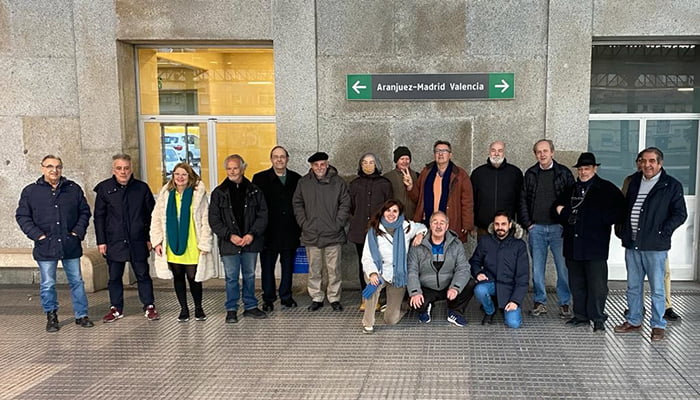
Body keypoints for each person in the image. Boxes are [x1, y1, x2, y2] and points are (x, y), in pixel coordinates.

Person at [614, 147, 687, 341]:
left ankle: (658, 324)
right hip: (633, 244)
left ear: (660, 163)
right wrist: (622, 230)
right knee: (633, 286)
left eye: (652, 161)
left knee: (657, 289)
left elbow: (680, 214)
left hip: (655, 247)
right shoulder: (634, 182)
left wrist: (662, 231)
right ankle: (634, 320)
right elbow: (624, 207)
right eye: (644, 161)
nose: (647, 165)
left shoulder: (671, 185)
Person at [16, 155, 94, 332]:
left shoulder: (73, 189)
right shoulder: (31, 191)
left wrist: (77, 233)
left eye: (58, 166)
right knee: (48, 283)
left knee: (77, 281)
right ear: (42, 168)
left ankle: (81, 315)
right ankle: (51, 316)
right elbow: (22, 216)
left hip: (70, 244)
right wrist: (38, 236)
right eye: (50, 166)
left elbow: (84, 212)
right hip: (46, 246)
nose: (54, 170)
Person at [554, 153, 626, 332]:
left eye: (586, 168)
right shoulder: (571, 189)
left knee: (597, 286)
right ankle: (580, 316)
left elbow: (620, 211)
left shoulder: (607, 188)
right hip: (573, 245)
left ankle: (598, 317)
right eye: (580, 169)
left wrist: (600, 219)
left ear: (595, 168)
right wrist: (566, 214)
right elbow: (557, 208)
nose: (583, 172)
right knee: (576, 283)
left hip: (595, 245)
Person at [93, 154, 158, 323]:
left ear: (131, 169)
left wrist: (150, 238)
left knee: (143, 274)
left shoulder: (141, 188)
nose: (123, 172)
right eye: (119, 168)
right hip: (114, 241)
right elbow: (99, 217)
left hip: (138, 240)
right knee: (114, 277)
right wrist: (101, 241)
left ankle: (149, 306)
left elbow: (152, 215)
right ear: (113, 170)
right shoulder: (104, 188)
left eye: (126, 168)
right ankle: (116, 308)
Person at [150, 162, 214, 322]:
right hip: (172, 242)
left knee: (193, 277)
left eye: (184, 174)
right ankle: (184, 309)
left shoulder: (197, 194)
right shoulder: (166, 194)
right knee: (178, 276)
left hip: (192, 242)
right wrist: (157, 242)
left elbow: (206, 220)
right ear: (172, 176)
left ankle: (198, 308)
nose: (180, 177)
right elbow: (156, 218)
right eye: (177, 174)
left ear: (190, 176)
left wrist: (205, 243)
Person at [519, 139, 574, 318]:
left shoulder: (564, 173)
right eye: (539, 152)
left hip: (559, 229)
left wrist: (565, 222)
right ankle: (539, 301)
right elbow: (523, 200)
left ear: (552, 152)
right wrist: (528, 224)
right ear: (535, 154)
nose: (542, 154)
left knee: (563, 268)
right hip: (537, 229)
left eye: (545, 151)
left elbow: (573, 200)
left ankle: (564, 303)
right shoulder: (530, 174)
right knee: (537, 269)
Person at [210, 154, 268, 323]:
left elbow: (263, 215)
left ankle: (250, 306)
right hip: (229, 243)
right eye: (229, 168)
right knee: (231, 277)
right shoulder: (219, 193)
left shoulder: (255, 191)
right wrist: (229, 236)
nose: (232, 171)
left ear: (242, 169)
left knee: (249, 275)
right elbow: (214, 220)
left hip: (250, 242)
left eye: (235, 168)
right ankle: (231, 309)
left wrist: (252, 234)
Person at [293, 151, 351, 312]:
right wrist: (304, 223)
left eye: (322, 164)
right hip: (312, 234)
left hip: (334, 234)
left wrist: (338, 223)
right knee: (314, 269)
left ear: (327, 164)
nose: (319, 167)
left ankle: (334, 298)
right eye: (316, 165)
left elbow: (345, 204)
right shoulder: (304, 183)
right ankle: (316, 297)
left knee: (334, 270)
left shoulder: (338, 182)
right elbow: (297, 203)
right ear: (311, 166)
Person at [361, 200, 427, 334]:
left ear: (399, 213)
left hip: (398, 274)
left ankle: (402, 306)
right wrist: (372, 273)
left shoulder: (407, 226)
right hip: (379, 270)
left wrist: (420, 234)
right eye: (388, 210)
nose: (391, 214)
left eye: (395, 211)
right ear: (383, 212)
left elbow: (422, 227)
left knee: (391, 320)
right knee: (372, 286)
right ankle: (368, 323)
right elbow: (367, 257)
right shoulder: (374, 230)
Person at [252, 146, 302, 312]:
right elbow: (255, 206)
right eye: (276, 156)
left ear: (287, 159)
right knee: (267, 268)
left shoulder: (296, 178)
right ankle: (268, 298)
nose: (279, 159)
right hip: (268, 231)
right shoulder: (260, 179)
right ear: (271, 159)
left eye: (282, 156)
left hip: (290, 230)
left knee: (288, 267)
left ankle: (286, 296)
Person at [407, 211, 471, 327]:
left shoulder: (456, 244)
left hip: (448, 286)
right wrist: (415, 292)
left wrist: (455, 287)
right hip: (427, 287)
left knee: (469, 283)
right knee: (414, 300)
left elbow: (463, 268)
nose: (438, 226)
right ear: (430, 225)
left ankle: (454, 311)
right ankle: (426, 307)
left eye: (442, 223)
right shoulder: (418, 244)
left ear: (447, 226)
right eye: (435, 222)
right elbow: (412, 270)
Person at [348, 152, 392, 310]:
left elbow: (389, 207)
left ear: (377, 164)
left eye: (371, 162)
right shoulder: (355, 184)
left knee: (381, 264)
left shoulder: (384, 183)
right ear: (360, 165)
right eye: (364, 162)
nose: (368, 165)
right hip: (360, 231)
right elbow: (351, 207)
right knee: (364, 265)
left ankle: (380, 296)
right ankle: (366, 298)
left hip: (379, 231)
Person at [469, 211, 529, 328]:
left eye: (503, 224)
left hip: (509, 289)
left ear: (510, 225)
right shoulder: (485, 241)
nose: (500, 227)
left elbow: (523, 276)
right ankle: (490, 310)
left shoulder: (519, 245)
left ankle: (503, 305)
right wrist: (478, 273)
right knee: (480, 290)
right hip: (490, 282)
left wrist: (515, 301)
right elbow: (474, 261)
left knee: (514, 323)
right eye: (497, 224)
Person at [409, 140, 474, 243]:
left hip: (450, 221)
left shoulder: (460, 175)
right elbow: (417, 198)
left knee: (449, 250)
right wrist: (410, 187)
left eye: (444, 151)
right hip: (428, 222)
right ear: (434, 154)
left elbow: (467, 201)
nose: (440, 154)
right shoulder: (426, 172)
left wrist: (467, 224)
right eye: (437, 151)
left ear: (450, 155)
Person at [470, 141, 523, 237]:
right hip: (483, 228)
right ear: (489, 152)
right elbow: (471, 200)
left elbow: (520, 200)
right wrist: (472, 224)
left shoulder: (515, 173)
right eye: (493, 150)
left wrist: (521, 224)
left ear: (504, 153)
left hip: (507, 228)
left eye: (500, 151)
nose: (496, 154)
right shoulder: (478, 173)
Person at [383, 146, 419, 220]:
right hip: (394, 218)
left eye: (407, 159)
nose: (405, 162)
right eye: (402, 159)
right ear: (396, 161)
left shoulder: (417, 176)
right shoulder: (387, 177)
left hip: (412, 217)